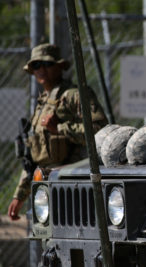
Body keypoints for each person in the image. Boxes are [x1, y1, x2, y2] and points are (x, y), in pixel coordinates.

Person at [8, 43, 108, 221]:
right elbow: (32, 158)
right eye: (36, 65)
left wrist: (59, 128)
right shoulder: (42, 104)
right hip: (48, 187)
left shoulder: (74, 96)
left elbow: (99, 131)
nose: (41, 69)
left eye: (46, 64)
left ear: (60, 67)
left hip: (74, 184)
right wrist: (19, 196)